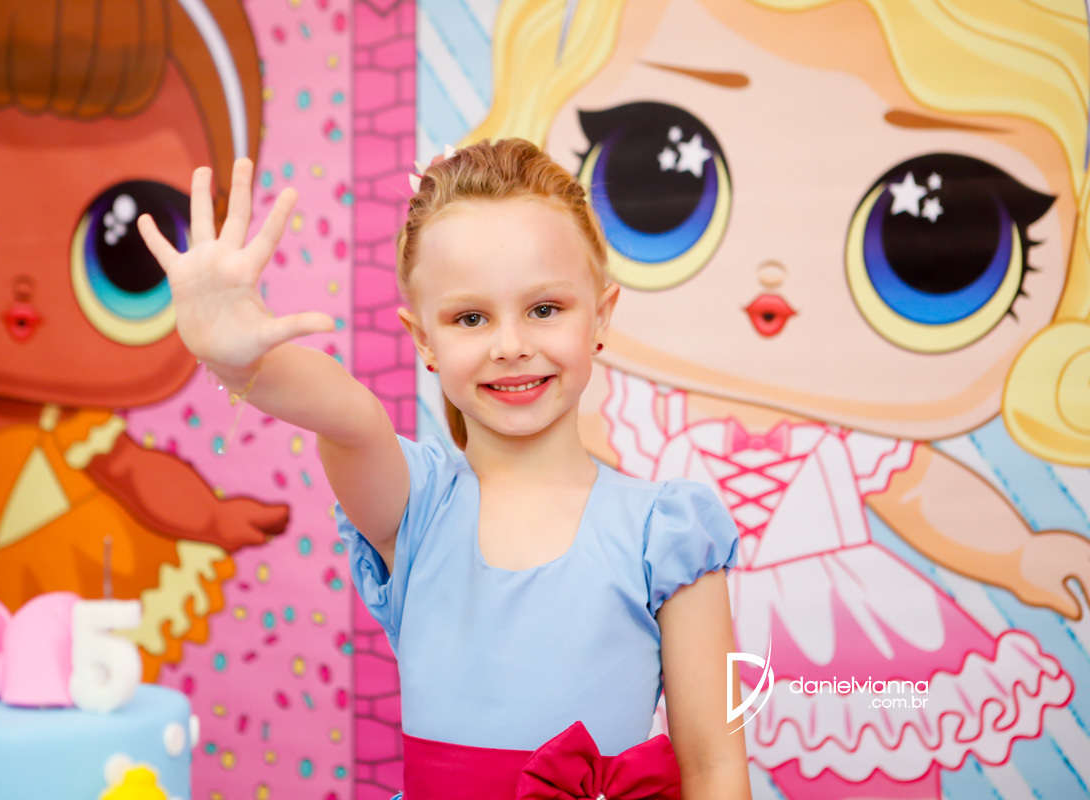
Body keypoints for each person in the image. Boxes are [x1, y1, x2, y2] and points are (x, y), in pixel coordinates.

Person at [462, 1, 1087, 797]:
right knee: (679, 763)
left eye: (923, 250)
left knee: (870, 762)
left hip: (839, 648)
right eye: (668, 177)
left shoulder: (850, 440)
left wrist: (1019, 553)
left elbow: (923, 494)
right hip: (674, 649)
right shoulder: (636, 416)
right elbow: (546, 460)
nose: (775, 278)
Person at [138, 138, 751, 799]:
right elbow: (348, 414)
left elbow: (715, 766)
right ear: (424, 339)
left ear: (600, 316)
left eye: (545, 309)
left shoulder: (668, 531)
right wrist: (244, 360)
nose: (510, 345)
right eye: (471, 317)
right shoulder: (416, 504)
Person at [0, 0, 283, 682]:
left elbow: (141, 480)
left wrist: (212, 518)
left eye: (121, 251)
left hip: (69, 577)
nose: (21, 301)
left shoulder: (79, 436)